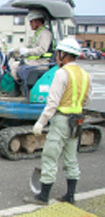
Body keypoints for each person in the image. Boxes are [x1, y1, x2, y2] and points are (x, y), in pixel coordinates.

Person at [23, 38, 92, 205]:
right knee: (71, 157)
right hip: (77, 121)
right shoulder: (84, 74)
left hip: (62, 120)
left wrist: (41, 122)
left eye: (58, 54)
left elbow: (52, 103)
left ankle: (43, 196)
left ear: (63, 54)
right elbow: (87, 100)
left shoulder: (62, 73)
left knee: (50, 155)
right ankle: (70, 195)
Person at [8, 10, 53, 96]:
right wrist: (15, 50)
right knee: (14, 65)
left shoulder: (45, 34)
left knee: (18, 67)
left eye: (31, 22)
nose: (30, 25)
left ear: (37, 21)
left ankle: (22, 90)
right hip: (34, 61)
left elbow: (42, 49)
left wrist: (28, 51)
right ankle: (19, 89)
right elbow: (27, 46)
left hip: (41, 62)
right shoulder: (37, 34)